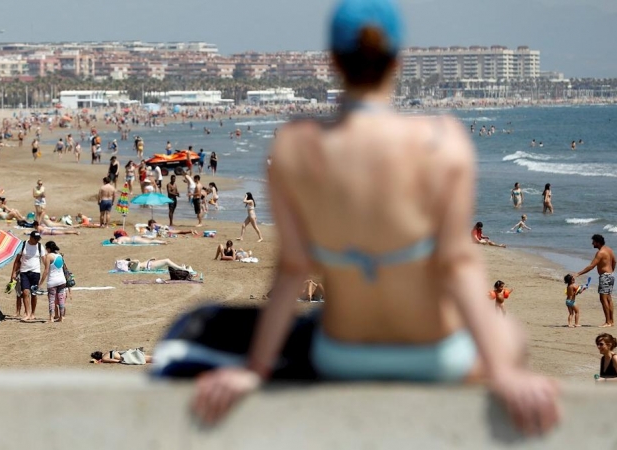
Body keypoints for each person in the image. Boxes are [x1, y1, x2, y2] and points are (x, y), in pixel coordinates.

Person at [191, 0, 559, 434]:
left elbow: (292, 268)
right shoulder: (442, 141)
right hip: (434, 355)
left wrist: (256, 368)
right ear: (399, 60)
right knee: (512, 335)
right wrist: (504, 370)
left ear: (332, 60)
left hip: (343, 354)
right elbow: (457, 264)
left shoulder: (295, 145)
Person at [575, 234, 616, 327]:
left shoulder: (600, 252)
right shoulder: (609, 249)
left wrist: (578, 273)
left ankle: (608, 322)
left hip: (605, 277)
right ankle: (611, 321)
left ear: (598, 242)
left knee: (603, 299)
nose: (592, 243)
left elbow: (591, 266)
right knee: (609, 298)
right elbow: (614, 261)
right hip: (610, 276)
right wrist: (611, 270)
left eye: (593, 241)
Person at [10, 231, 45, 321]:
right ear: (31, 237)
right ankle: (27, 313)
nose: (37, 240)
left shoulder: (40, 247)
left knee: (33, 294)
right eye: (35, 239)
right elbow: (17, 260)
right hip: (24, 272)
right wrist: (13, 272)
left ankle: (33, 313)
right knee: (25, 292)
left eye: (38, 239)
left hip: (36, 272)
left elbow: (45, 261)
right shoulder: (23, 245)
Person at [39, 241, 68, 323]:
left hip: (53, 281)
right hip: (62, 280)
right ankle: (61, 317)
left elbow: (46, 270)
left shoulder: (49, 256)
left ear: (48, 248)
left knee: (52, 300)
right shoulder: (60, 256)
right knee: (61, 299)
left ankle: (51, 318)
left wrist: (40, 283)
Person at [126, 258, 193, 273]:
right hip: (150, 266)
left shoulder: (134, 266)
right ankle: (182, 269)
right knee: (167, 261)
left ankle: (179, 268)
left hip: (150, 264)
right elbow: (137, 261)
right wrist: (130, 261)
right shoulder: (133, 267)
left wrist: (149, 259)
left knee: (167, 262)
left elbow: (140, 263)